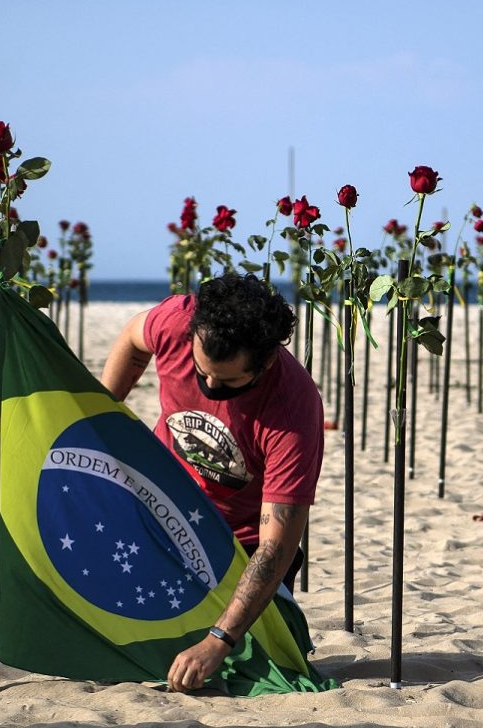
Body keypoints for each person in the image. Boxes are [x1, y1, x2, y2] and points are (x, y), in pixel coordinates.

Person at [100, 272, 324, 693]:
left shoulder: (293, 411)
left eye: (228, 382)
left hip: (238, 550)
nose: (208, 385)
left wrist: (218, 640)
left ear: (267, 361)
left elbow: (276, 545)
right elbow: (133, 335)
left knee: (263, 670)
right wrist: (99, 415)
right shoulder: (177, 322)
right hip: (155, 518)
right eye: (202, 372)